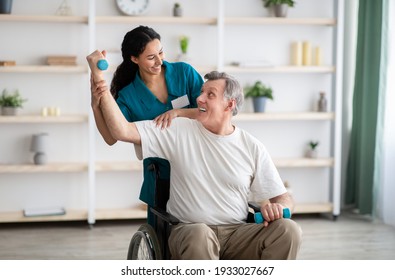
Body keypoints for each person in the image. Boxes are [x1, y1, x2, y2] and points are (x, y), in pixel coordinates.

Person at [87, 51, 302, 259]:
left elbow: (284, 197)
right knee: (200, 234)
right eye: (201, 92)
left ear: (230, 104)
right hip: (189, 231)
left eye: (210, 95)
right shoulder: (177, 129)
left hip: (238, 233)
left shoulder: (251, 146)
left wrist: (280, 207)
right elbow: (122, 131)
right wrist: (101, 85)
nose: (199, 99)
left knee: (288, 229)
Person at [89, 26, 204, 218]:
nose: (159, 61)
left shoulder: (184, 73)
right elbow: (111, 137)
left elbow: (208, 111)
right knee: (162, 237)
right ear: (134, 59)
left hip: (197, 166)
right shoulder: (128, 95)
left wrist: (178, 113)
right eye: (151, 57)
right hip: (161, 176)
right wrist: (95, 106)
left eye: (160, 52)